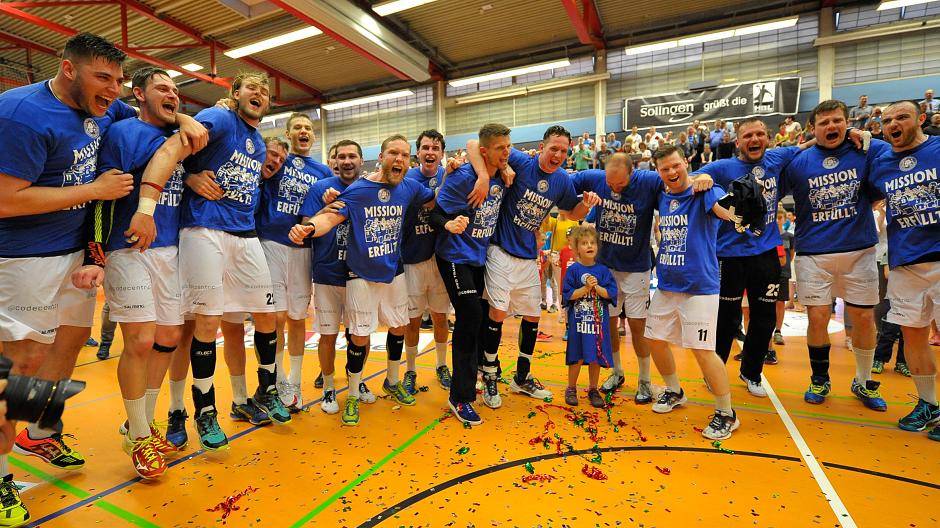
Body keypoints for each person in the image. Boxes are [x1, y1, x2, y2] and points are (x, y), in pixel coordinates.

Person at [0, 32, 206, 524]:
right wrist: (93, 189)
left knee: (67, 348)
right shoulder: (20, 113)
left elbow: (151, 113)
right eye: (103, 78)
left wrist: (184, 118)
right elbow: (6, 200)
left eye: (117, 80)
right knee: (19, 366)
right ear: (68, 69)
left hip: (74, 256)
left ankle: (40, 432)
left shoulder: (103, 108)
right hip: (23, 258)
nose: (112, 89)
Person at [141, 71, 288, 451]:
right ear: (235, 93)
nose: (259, 94)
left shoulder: (258, 142)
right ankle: (201, 410)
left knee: (268, 315)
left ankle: (267, 389)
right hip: (204, 228)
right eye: (251, 88)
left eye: (265, 91)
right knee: (203, 323)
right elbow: (172, 148)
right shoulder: (220, 118)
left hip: (244, 234)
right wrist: (188, 175)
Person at [74, 67, 194, 479]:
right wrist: (96, 254)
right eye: (162, 88)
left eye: (175, 90)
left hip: (170, 251)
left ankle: (139, 421)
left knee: (168, 337)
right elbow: (104, 197)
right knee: (140, 339)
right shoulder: (123, 133)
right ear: (139, 94)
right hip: (128, 247)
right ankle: (141, 436)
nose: (172, 95)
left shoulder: (180, 137)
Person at [289, 135, 442, 426]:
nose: (399, 159)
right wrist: (307, 228)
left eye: (404, 155)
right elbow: (330, 218)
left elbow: (433, 199)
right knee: (359, 336)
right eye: (393, 153)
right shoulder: (359, 190)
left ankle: (392, 380)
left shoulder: (409, 186)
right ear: (381, 157)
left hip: (394, 271)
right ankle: (352, 395)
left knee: (399, 326)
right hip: (359, 274)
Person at [467, 125, 599, 408]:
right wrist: (486, 174)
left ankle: (522, 377)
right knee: (497, 312)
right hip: (500, 249)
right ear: (542, 147)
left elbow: (570, 212)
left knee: (532, 316)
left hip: (528, 255)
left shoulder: (562, 180)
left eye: (563, 151)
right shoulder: (520, 161)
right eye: (554, 149)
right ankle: (489, 375)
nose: (558, 155)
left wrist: (586, 206)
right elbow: (472, 144)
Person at [781, 99, 889, 411]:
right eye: (824, 122)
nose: (832, 126)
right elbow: (770, 179)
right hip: (814, 252)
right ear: (813, 128)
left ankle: (863, 380)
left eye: (837, 120)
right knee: (817, 317)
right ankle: (820, 378)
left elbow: (895, 153)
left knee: (864, 317)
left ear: (847, 123)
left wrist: (866, 136)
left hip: (859, 250)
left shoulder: (864, 151)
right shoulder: (799, 160)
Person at [692, 118, 804, 399]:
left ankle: (752, 372)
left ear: (768, 138)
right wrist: (701, 179)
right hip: (728, 255)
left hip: (765, 253)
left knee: (764, 317)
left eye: (759, 134)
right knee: (726, 319)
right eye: (748, 136)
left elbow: (809, 145)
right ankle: (715, 371)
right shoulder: (722, 167)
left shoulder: (777, 157)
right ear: (738, 141)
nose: (754, 139)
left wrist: (849, 132)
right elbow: (690, 178)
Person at [644, 145, 740, 440]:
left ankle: (726, 412)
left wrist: (734, 213)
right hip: (667, 285)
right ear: (658, 172)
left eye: (676, 165)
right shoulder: (662, 195)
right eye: (665, 169)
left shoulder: (705, 190)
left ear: (686, 162)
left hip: (699, 287)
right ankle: (674, 391)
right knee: (654, 340)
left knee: (702, 351)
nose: (672, 172)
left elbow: (723, 210)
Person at [867, 101, 940, 441]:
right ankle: (929, 403)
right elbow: (869, 200)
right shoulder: (882, 164)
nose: (893, 123)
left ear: (921, 119)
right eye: (887, 120)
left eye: (902, 117)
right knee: (913, 336)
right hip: (905, 262)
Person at [428, 123, 509, 425]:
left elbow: (478, 147)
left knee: (482, 315)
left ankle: (472, 373)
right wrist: (448, 224)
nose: (506, 153)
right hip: (453, 255)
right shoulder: (463, 177)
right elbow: (436, 214)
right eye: (500, 148)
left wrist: (499, 170)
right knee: (470, 314)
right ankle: (460, 397)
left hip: (478, 256)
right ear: (485, 151)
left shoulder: (502, 174)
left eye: (508, 147)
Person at [248, 113, 329, 411]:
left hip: (303, 249)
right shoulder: (276, 160)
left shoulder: (322, 171)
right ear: (288, 134)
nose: (303, 131)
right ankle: (276, 378)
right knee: (274, 318)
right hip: (270, 243)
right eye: (298, 127)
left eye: (308, 128)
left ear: (313, 135)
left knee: (297, 318)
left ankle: (294, 380)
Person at [571, 153, 667, 403]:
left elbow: (678, 180)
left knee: (637, 325)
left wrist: (702, 177)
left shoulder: (648, 181)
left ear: (632, 173)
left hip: (636, 268)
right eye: (610, 183)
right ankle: (617, 372)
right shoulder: (595, 178)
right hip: (607, 268)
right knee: (609, 323)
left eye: (620, 184)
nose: (614, 188)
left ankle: (644, 380)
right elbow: (563, 182)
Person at [298, 139, 363, 415]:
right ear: (334, 161)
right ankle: (327, 386)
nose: (347, 161)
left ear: (361, 160)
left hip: (360, 274)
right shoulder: (320, 188)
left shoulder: (369, 188)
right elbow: (305, 226)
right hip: (326, 273)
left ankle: (356, 382)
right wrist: (324, 210)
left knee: (359, 334)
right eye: (341, 157)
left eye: (352, 156)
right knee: (327, 335)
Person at [402, 130, 454, 393]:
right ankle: (410, 370)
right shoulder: (407, 178)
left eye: (435, 148)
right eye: (425, 148)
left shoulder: (450, 175)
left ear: (442, 153)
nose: (430, 152)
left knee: (440, 317)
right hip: (412, 259)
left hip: (440, 259)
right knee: (412, 321)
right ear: (418, 152)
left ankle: (441, 365)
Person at [562, 226, 617, 408]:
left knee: (595, 357)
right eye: (584, 243)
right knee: (576, 356)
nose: (589, 246)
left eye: (592, 243)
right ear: (577, 248)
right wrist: (585, 288)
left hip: (597, 326)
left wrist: (596, 287)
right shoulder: (573, 270)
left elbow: (610, 293)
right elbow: (568, 295)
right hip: (579, 325)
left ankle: (593, 389)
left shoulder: (603, 271)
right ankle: (571, 388)